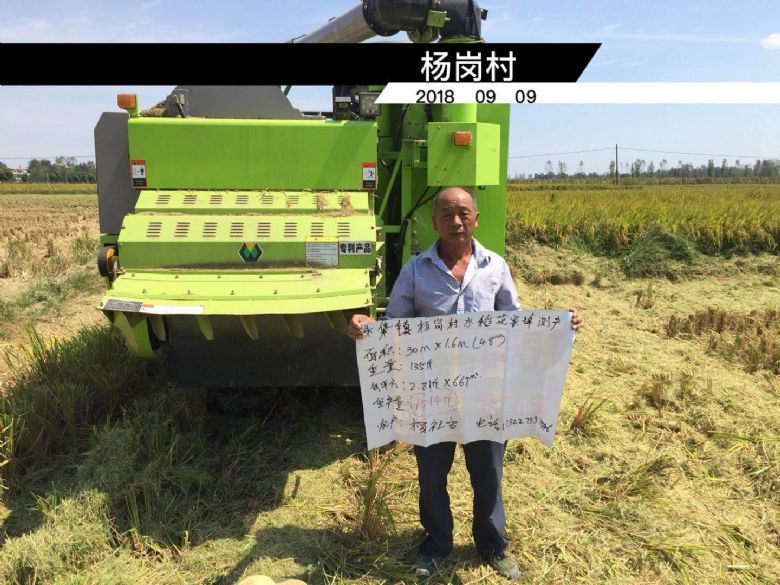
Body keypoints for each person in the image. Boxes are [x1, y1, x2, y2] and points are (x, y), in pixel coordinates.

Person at [348, 186, 581, 580]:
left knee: (488, 473)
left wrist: (560, 325)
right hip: (432, 395)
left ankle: (492, 545)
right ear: (434, 221)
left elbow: (515, 323)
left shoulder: (496, 267)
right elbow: (394, 327)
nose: (455, 221)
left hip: (486, 393)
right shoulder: (415, 271)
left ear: (476, 218)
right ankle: (436, 544)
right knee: (431, 476)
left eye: (463, 213)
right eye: (447, 214)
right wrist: (365, 326)